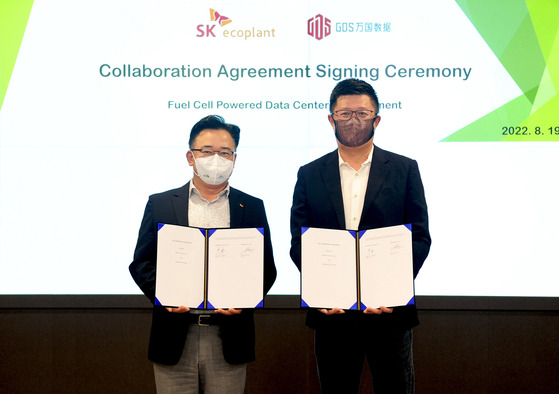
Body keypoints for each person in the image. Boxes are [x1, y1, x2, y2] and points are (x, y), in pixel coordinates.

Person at [290, 79, 431, 394]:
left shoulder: (405, 169)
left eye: (362, 113)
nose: (353, 120)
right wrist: (322, 290)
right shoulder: (310, 174)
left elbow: (419, 237)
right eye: (344, 114)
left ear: (377, 119)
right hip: (332, 316)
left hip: (390, 314)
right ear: (331, 119)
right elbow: (300, 242)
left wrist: (392, 288)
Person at [130, 115, 277, 393]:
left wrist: (245, 301)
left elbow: (266, 268)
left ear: (235, 158)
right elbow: (142, 263)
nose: (216, 159)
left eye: (225, 152)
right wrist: (164, 295)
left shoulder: (253, 206)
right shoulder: (161, 203)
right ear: (190, 156)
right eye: (207, 152)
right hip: (174, 335)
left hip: (229, 336)